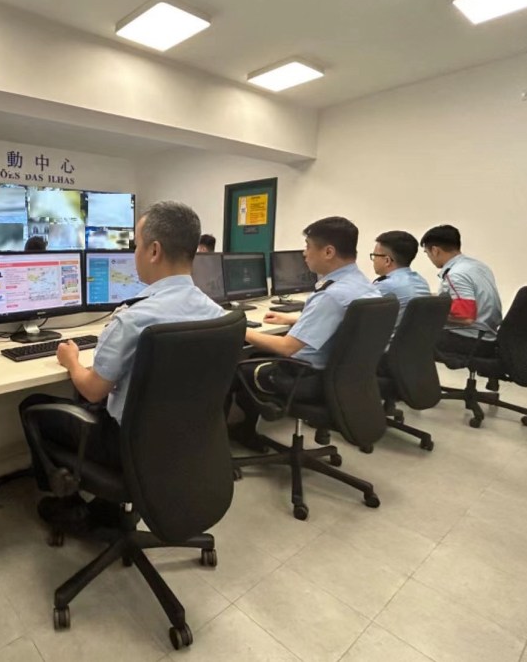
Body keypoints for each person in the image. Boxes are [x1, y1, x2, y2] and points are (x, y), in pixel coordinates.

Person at [20, 201, 225, 529]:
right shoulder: (217, 313)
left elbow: (93, 390)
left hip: (127, 446)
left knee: (32, 405)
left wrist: (71, 362)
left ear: (154, 251)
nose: (134, 254)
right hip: (186, 440)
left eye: (136, 245)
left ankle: (68, 503)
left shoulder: (133, 319)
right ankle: (104, 503)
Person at [229, 216, 381, 441]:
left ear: (328, 252)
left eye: (308, 246)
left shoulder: (332, 295)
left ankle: (230, 438)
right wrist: (292, 320)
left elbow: (286, 347)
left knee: (232, 367)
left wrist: (239, 328)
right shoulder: (363, 285)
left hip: (305, 378)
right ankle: (246, 430)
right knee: (257, 355)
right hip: (342, 378)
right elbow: (339, 323)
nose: (304, 253)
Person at [420, 225, 502, 357]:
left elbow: (465, 318)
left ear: (435, 250)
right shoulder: (478, 266)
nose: (429, 257)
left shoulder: (455, 275)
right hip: (488, 336)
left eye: (427, 253)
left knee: (409, 337)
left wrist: (426, 315)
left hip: (471, 340)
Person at [370, 230, 431, 334]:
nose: (374, 260)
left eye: (375, 255)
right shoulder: (421, 282)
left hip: (387, 343)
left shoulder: (385, 286)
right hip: (417, 342)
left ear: (387, 261)